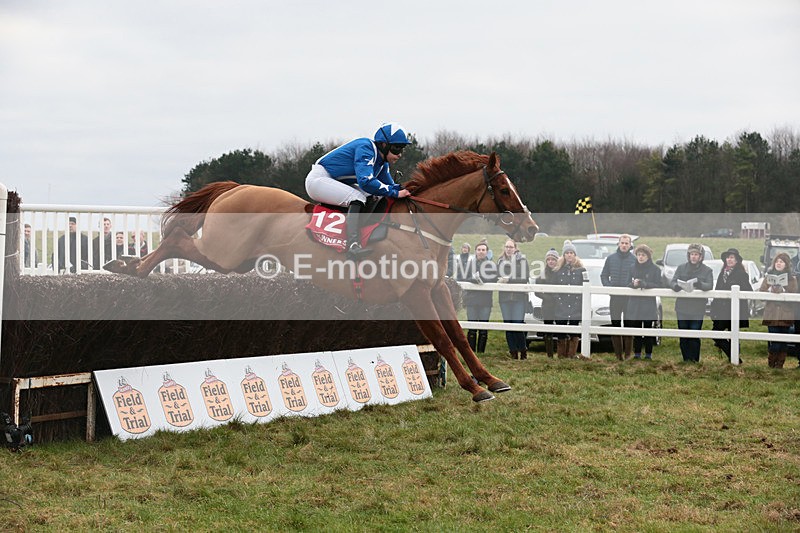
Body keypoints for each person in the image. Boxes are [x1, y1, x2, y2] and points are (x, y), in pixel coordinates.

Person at [305, 122, 412, 258]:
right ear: (384, 145)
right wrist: (395, 192)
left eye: (402, 149)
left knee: (370, 196)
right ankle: (353, 244)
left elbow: (389, 186)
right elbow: (366, 181)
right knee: (358, 197)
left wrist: (408, 190)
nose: (400, 154)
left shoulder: (382, 163)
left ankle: (361, 236)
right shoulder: (366, 148)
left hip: (334, 181)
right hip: (318, 180)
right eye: (397, 148)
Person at [670, 243, 714, 362]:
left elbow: (710, 285)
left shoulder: (707, 270)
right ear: (688, 256)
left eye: (696, 254)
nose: (693, 257)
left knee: (694, 335)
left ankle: (695, 360)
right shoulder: (681, 268)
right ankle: (686, 360)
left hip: (697, 308)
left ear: (701, 256)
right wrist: (676, 286)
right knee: (683, 335)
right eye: (692, 254)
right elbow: (672, 281)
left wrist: (700, 284)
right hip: (682, 307)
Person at [709, 248, 752, 364]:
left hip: (735, 310)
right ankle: (734, 358)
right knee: (716, 334)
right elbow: (717, 291)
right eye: (728, 257)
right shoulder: (722, 273)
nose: (729, 259)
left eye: (732, 257)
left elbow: (749, 290)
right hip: (721, 310)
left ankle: (734, 360)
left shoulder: (742, 274)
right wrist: (713, 309)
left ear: (737, 260)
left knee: (734, 335)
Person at [600, 234, 636, 360]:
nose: (624, 245)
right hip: (615, 297)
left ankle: (627, 354)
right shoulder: (611, 259)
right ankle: (618, 355)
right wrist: (609, 287)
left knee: (628, 324)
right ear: (619, 244)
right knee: (615, 323)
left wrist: (632, 286)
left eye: (627, 243)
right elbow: (604, 275)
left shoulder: (634, 259)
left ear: (630, 245)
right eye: (622, 243)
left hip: (629, 297)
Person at [759, 252, 798, 368]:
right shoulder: (768, 277)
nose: (778, 263)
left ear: (786, 264)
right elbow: (761, 292)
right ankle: (771, 363)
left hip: (785, 314)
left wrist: (784, 291)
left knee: (783, 341)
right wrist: (770, 289)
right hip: (771, 313)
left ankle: (779, 365)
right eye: (777, 261)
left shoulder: (792, 279)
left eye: (781, 261)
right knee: (774, 340)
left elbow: (794, 294)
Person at [626, 244, 662, 360]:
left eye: (643, 255)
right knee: (636, 330)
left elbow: (659, 285)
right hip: (635, 304)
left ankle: (648, 354)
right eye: (639, 255)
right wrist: (633, 284)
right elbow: (627, 283)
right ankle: (636, 354)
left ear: (648, 256)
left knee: (648, 330)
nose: (641, 257)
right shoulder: (632, 268)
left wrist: (646, 284)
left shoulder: (655, 269)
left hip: (648, 305)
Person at [462, 240, 498, 353]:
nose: (481, 252)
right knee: (471, 327)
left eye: (483, 250)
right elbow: (463, 277)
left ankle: (481, 352)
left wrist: (481, 280)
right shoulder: (469, 264)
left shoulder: (492, 265)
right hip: (471, 300)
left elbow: (493, 278)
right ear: (475, 251)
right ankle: (471, 352)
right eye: (479, 250)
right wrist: (472, 280)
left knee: (483, 327)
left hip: (485, 300)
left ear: (487, 252)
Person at [497, 239, 530, 359]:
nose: (509, 249)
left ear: (515, 248)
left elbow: (525, 277)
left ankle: (523, 350)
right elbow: (497, 276)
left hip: (518, 298)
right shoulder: (500, 261)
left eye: (511, 247)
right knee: (508, 325)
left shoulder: (522, 261)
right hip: (505, 298)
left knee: (517, 324)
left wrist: (509, 280)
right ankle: (513, 352)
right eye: (507, 247)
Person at [554, 240, 587, 358]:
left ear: (575, 255)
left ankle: (571, 355)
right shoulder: (558, 270)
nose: (569, 255)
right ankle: (561, 356)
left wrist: (579, 303)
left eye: (571, 253)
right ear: (563, 255)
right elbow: (555, 288)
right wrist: (559, 301)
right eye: (567, 253)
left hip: (575, 305)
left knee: (574, 330)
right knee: (561, 330)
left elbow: (585, 287)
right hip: (561, 305)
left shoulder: (581, 270)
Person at [535, 248, 560, 358]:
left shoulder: (561, 273)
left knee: (561, 329)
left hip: (560, 306)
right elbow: (537, 291)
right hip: (547, 306)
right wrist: (548, 298)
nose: (551, 261)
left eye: (553, 259)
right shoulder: (542, 275)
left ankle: (561, 354)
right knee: (548, 329)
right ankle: (549, 354)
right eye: (548, 259)